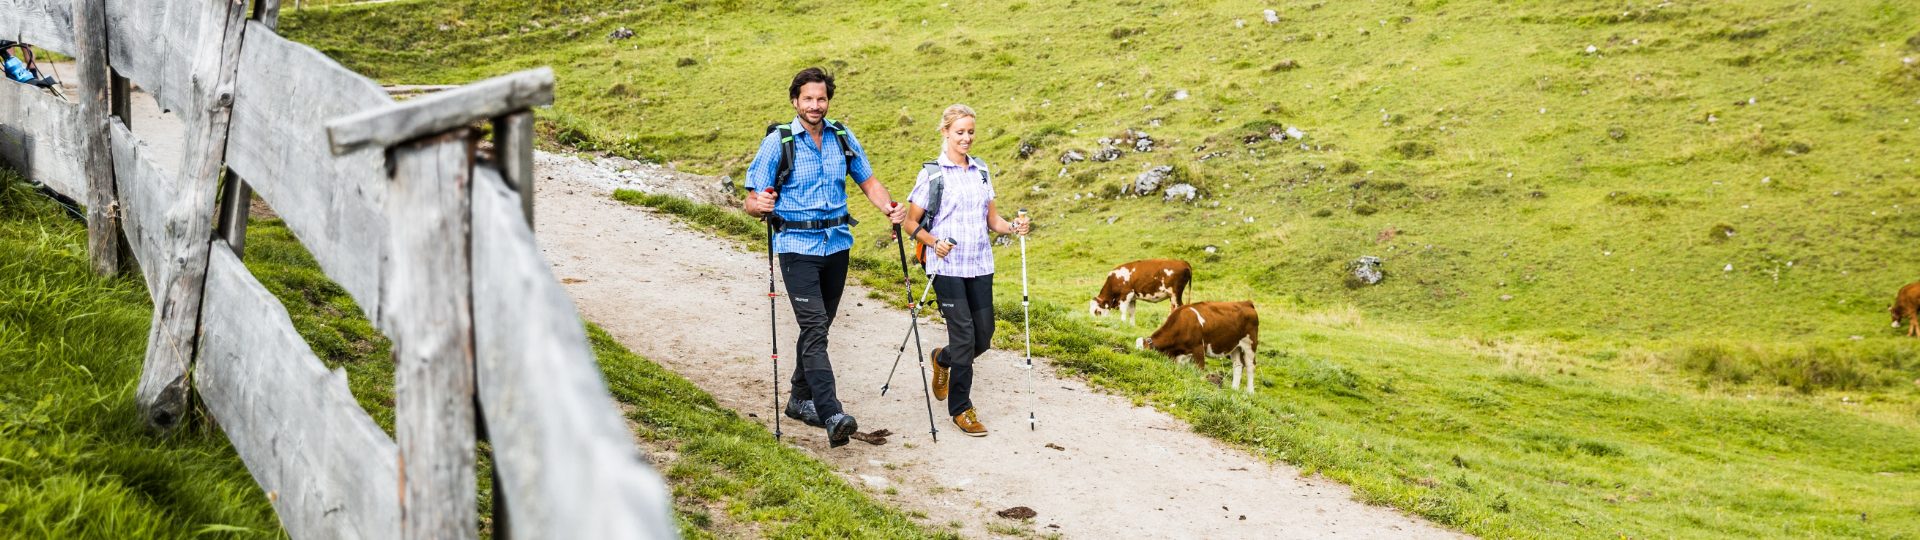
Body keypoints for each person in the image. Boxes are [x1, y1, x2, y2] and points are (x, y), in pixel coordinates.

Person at [743, 67, 907, 448]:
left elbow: (868, 181)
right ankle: (831, 412)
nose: (815, 105)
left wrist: (889, 208)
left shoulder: (841, 137)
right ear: (795, 101)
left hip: (837, 244)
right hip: (796, 247)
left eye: (821, 98)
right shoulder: (778, 143)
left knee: (819, 328)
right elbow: (752, 199)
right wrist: (758, 204)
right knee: (815, 327)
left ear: (827, 100)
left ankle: (800, 400)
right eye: (808, 99)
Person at [904, 104, 1030, 437]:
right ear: (945, 132)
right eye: (960, 132)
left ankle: (942, 359)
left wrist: (1013, 227)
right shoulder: (932, 174)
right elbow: (910, 222)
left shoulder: (982, 171)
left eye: (971, 132)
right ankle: (962, 409)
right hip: (946, 266)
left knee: (983, 337)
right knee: (963, 338)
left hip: (980, 263)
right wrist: (933, 242)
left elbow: (994, 221)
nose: (966, 138)